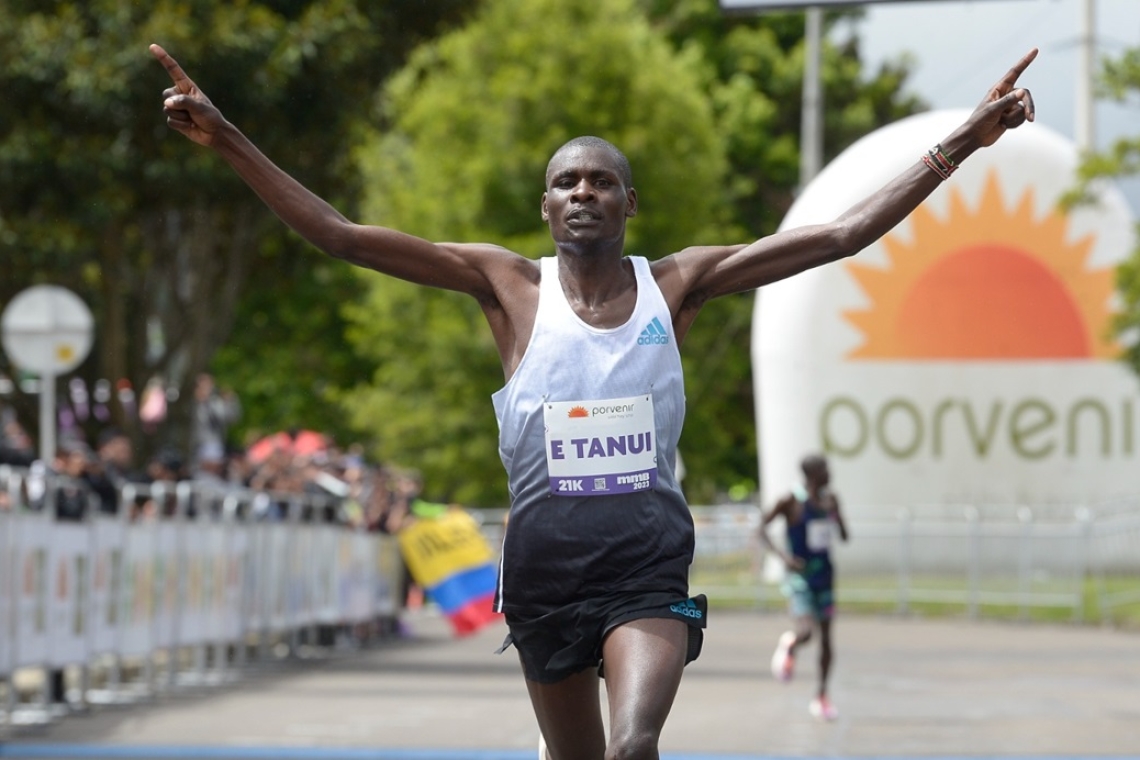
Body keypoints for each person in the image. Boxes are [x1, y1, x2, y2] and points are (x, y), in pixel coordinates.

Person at [150, 41, 1036, 760]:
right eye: (568, 182)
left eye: (601, 181)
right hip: (543, 572)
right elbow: (340, 235)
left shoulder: (678, 284)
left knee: (635, 744)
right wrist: (227, 138)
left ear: (629, 204)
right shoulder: (505, 287)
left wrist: (960, 142)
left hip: (646, 563)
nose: (584, 192)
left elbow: (840, 235)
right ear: (545, 207)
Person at [759, 453, 849, 721]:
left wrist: (836, 513)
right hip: (800, 578)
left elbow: (844, 536)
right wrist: (783, 557)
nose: (829, 474)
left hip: (825, 576)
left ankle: (822, 696)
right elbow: (760, 529)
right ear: (812, 474)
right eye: (825, 469)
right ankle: (791, 643)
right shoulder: (791, 501)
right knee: (807, 632)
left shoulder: (830, 500)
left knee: (827, 639)